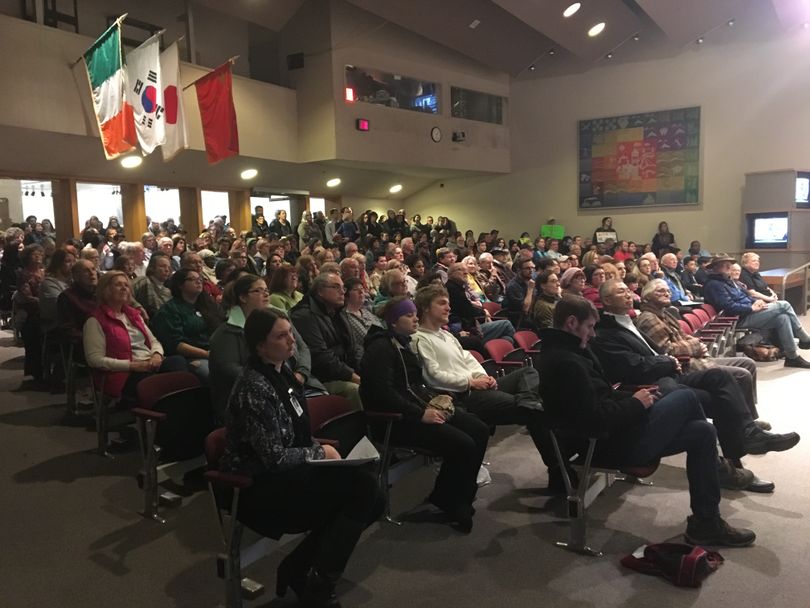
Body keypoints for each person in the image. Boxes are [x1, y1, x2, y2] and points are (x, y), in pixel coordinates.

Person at [537, 295, 756, 547]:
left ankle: (706, 522)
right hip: (603, 445)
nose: (593, 334)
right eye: (589, 327)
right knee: (684, 396)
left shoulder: (573, 352)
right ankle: (729, 460)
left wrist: (637, 397)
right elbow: (594, 422)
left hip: (617, 433)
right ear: (572, 323)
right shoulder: (566, 362)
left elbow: (603, 397)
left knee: (702, 431)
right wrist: (635, 403)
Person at [220, 308, 384, 608]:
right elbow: (273, 458)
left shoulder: (283, 372)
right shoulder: (254, 387)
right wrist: (321, 452)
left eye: (290, 333)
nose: (291, 341)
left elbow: (297, 435)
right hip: (258, 486)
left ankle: (302, 569)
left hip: (294, 472)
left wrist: (322, 455)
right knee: (364, 490)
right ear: (259, 345)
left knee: (373, 493)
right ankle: (316, 581)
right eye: (281, 336)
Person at [593, 279, 800, 490]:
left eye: (628, 289)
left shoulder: (629, 320)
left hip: (670, 370)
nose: (629, 293)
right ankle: (730, 466)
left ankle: (747, 434)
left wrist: (672, 357)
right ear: (607, 300)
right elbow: (638, 364)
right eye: (621, 292)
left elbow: (662, 349)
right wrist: (668, 360)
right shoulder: (609, 331)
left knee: (720, 378)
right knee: (718, 399)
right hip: (656, 381)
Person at [411, 285, 563, 492]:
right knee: (538, 413)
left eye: (448, 302)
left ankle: (528, 402)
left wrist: (482, 375)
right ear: (425, 308)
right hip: (463, 395)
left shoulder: (446, 336)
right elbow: (433, 376)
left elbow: (468, 359)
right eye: (442, 303)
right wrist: (471, 382)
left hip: (477, 385)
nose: (448, 307)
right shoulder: (419, 338)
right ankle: (559, 473)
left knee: (528, 373)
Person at [361, 296, 489, 532]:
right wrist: (421, 413)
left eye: (414, 314)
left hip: (419, 407)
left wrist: (435, 398)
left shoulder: (403, 343)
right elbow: (383, 394)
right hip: (397, 421)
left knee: (479, 429)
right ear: (392, 321)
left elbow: (413, 385)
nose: (415, 318)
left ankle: (454, 494)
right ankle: (451, 499)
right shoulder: (380, 348)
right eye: (408, 315)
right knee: (463, 444)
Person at [83, 271, 186, 402]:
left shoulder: (133, 315)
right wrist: (132, 365)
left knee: (178, 362)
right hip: (124, 373)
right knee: (159, 385)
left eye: (126, 285)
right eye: (118, 285)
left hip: (149, 363)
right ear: (105, 290)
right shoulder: (95, 320)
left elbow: (154, 341)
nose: (124, 288)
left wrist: (156, 354)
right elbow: (95, 359)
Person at [702, 255, 810, 368]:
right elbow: (728, 307)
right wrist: (751, 308)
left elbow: (744, 296)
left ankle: (792, 357)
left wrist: (756, 301)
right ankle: (805, 338)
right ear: (715, 268)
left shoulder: (727, 281)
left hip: (746, 313)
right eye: (724, 265)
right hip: (737, 319)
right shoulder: (714, 284)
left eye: (729, 264)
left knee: (782, 318)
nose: (728, 266)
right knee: (784, 305)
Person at [290, 272, 363, 411]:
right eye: (336, 287)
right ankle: (362, 430)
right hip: (320, 378)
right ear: (320, 291)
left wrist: (363, 370)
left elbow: (354, 348)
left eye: (343, 288)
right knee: (354, 389)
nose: (342, 292)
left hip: (343, 370)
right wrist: (354, 376)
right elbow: (321, 358)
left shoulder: (338, 311)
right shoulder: (304, 315)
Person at [151, 268, 222, 382]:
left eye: (200, 279)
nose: (198, 282)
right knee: (216, 375)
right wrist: (207, 354)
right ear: (180, 285)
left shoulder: (207, 305)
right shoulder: (169, 310)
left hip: (214, 352)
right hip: (191, 357)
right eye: (192, 279)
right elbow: (176, 344)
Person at [446, 263, 515, 344]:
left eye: (466, 270)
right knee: (506, 324)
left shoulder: (458, 287)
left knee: (507, 338)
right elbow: (467, 311)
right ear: (451, 273)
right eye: (460, 270)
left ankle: (493, 351)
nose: (465, 272)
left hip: (471, 325)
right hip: (466, 330)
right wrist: (483, 311)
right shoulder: (452, 288)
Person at [343, 277, 384, 358]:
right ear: (346, 295)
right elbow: (364, 340)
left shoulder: (366, 311)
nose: (361, 292)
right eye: (355, 289)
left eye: (362, 288)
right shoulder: (345, 317)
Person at [132, 252, 173, 319]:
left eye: (169, 267)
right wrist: (137, 306)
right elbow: (126, 295)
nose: (167, 270)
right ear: (152, 268)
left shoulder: (167, 292)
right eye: (162, 266)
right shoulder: (142, 281)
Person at [503, 256, 536, 328]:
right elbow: (525, 309)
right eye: (527, 268)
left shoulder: (532, 280)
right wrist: (530, 289)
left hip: (533, 314)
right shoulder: (513, 286)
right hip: (520, 321)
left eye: (532, 268)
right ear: (519, 270)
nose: (531, 271)